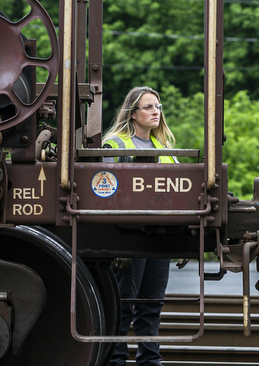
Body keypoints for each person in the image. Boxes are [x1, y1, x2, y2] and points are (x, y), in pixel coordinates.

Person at [104, 86, 176, 366]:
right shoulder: (114, 144)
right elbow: (104, 190)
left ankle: (150, 360)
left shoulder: (166, 148)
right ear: (133, 113)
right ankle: (116, 359)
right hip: (128, 237)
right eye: (148, 107)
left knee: (152, 304)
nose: (156, 111)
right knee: (122, 303)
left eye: (158, 106)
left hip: (160, 238)